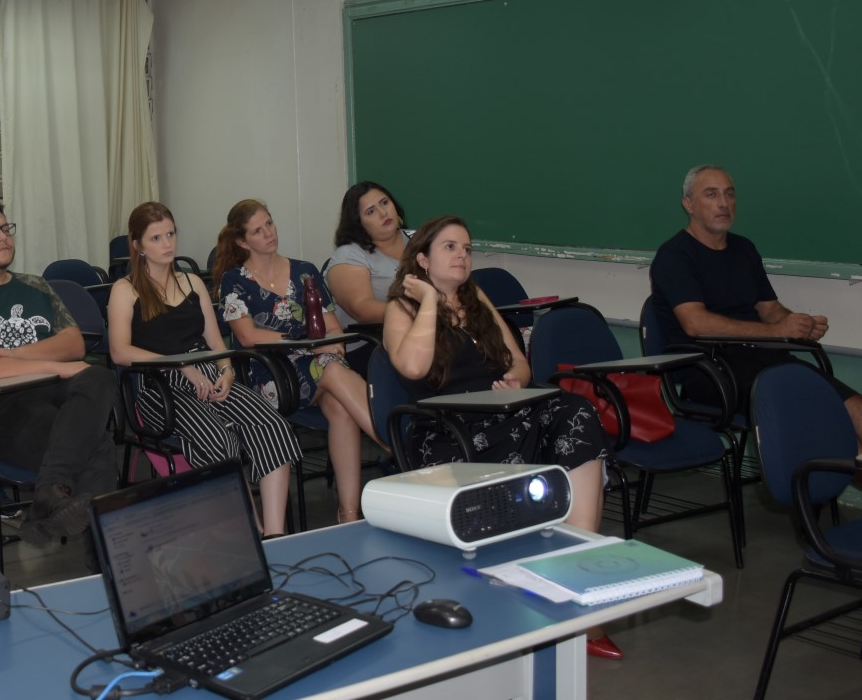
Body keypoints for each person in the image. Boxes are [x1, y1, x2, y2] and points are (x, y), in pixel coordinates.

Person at [382, 216, 619, 660]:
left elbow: (520, 365)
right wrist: (431, 301)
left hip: (503, 414)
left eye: (467, 248)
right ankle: (535, 596)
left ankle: (572, 566)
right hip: (445, 429)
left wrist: (513, 380)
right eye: (450, 247)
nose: (462, 256)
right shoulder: (404, 307)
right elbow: (413, 369)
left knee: (576, 412)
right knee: (521, 440)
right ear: (422, 258)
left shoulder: (477, 298)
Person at [649, 165, 862, 453]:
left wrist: (796, 323)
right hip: (711, 372)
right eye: (711, 194)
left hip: (765, 360)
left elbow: (770, 308)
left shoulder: (744, 249)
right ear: (689, 204)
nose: (723, 203)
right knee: (825, 425)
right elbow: (695, 323)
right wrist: (776, 331)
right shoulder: (674, 255)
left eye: (729, 194)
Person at [0, 199, 118, 548]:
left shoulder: (37, 286)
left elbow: (74, 343)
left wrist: (11, 354)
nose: (2, 238)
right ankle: (106, 562)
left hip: (60, 401)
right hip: (2, 414)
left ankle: (49, 495)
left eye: (4, 229)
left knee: (100, 377)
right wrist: (53, 365)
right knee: (97, 444)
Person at [108, 202, 303, 536]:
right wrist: (180, 366)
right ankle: (252, 533)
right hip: (159, 387)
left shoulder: (191, 283)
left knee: (273, 425)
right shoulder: (125, 289)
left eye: (170, 234)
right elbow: (119, 352)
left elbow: (216, 344)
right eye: (156, 238)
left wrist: (227, 370)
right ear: (138, 245)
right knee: (218, 437)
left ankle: (275, 535)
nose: (167, 244)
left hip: (208, 374)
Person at [213, 199, 381, 524]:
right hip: (271, 374)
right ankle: (394, 439)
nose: (269, 234)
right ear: (242, 241)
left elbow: (332, 327)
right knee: (331, 369)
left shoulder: (305, 271)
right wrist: (309, 344)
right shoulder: (234, 281)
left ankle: (348, 513)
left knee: (340, 406)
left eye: (270, 224)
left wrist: (331, 344)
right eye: (258, 231)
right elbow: (247, 337)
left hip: (318, 363)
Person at [326, 181, 415, 330]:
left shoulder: (421, 240)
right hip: (370, 344)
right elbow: (361, 309)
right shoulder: (348, 256)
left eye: (385, 203)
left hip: (423, 334)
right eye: (370, 211)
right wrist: (421, 311)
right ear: (358, 223)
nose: (383, 213)